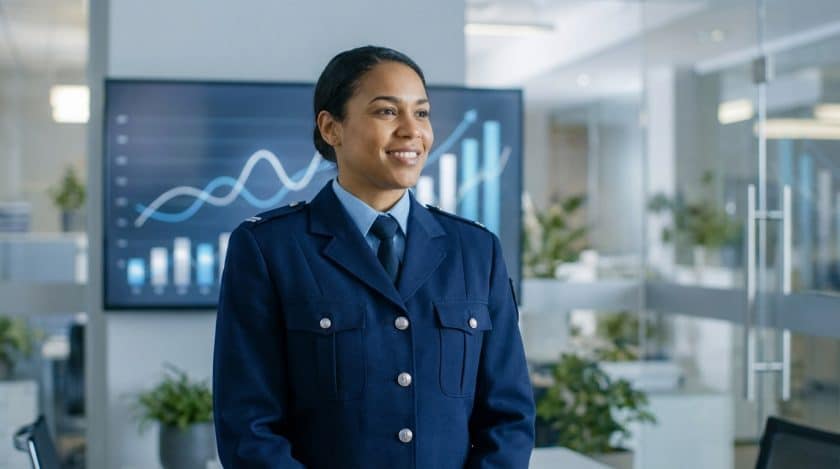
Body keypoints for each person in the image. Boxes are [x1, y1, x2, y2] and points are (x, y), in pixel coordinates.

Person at [213, 45, 535, 468]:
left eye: (421, 113)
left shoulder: (475, 250)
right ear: (331, 128)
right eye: (387, 112)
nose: (411, 130)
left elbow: (509, 419)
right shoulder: (269, 249)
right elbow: (248, 426)